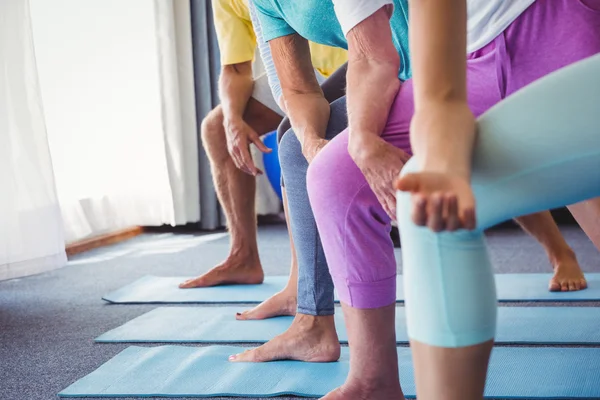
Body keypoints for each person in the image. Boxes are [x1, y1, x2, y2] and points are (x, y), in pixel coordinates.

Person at [229, 0, 594, 366]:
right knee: (295, 145)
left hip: (435, 59)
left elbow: (391, 52)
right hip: (385, 64)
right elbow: (298, 89)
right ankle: (314, 322)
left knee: (530, 155)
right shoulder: (264, 4)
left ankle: (559, 251)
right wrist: (317, 144)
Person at [178, 0, 347, 290]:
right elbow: (235, 68)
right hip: (296, 74)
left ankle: (305, 285)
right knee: (217, 128)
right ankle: (243, 257)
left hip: (352, 61)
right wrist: (233, 121)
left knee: (293, 139)